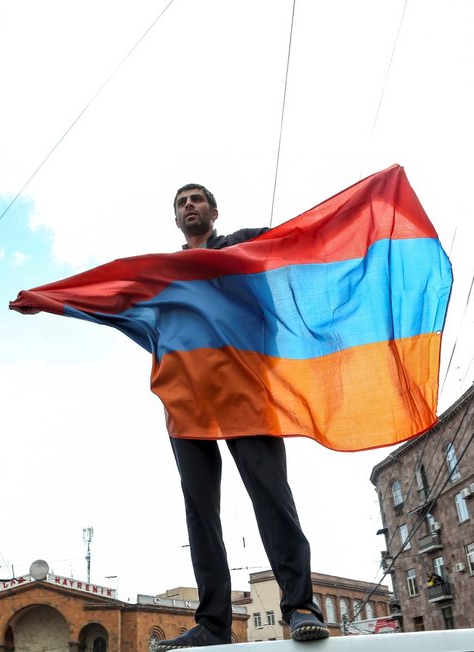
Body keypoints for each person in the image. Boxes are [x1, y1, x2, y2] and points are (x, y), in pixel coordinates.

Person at [155, 184, 329, 650]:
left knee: (271, 494)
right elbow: (111, 293)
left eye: (196, 199)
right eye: (181, 202)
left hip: (246, 390)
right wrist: (50, 298)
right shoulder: (166, 271)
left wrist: (354, 212)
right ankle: (213, 624)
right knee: (200, 511)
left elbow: (297, 239)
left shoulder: (243, 244)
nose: (189, 205)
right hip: (187, 396)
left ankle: (300, 606)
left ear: (213, 211)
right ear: (175, 219)